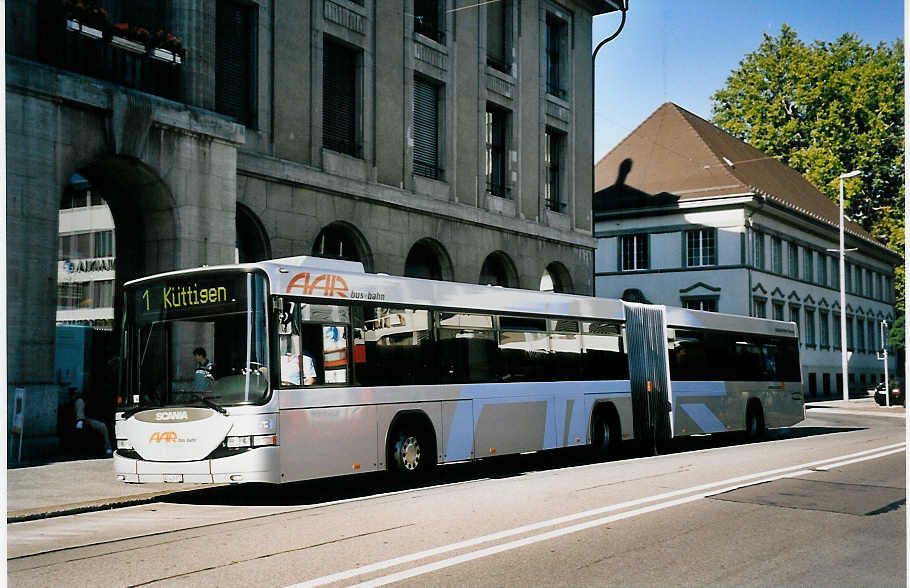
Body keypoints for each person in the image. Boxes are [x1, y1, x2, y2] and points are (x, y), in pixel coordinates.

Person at [71, 387, 112, 456]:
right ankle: (107, 448)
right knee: (102, 426)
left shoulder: (83, 400)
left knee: (103, 426)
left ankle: (107, 447)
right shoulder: (78, 401)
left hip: (88, 419)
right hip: (82, 420)